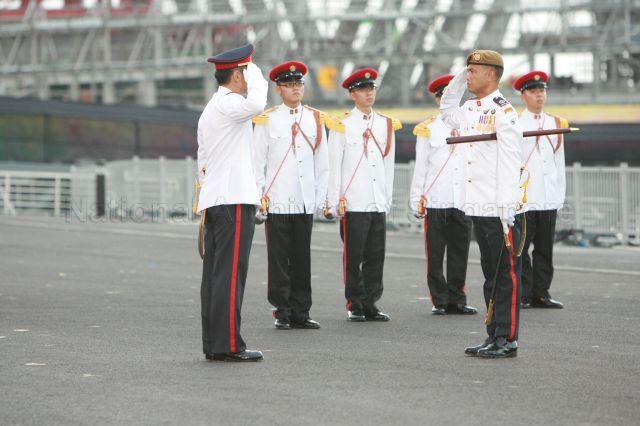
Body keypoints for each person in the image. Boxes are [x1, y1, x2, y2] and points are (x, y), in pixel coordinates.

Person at [439, 50, 524, 358]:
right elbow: (446, 107)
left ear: (491, 74)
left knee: (504, 275)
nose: (469, 76)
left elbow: (511, 159)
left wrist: (506, 206)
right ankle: (493, 335)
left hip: (497, 206)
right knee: (491, 274)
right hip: (477, 204)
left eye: (474, 71)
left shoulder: (504, 111)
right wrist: (461, 77)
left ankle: (507, 339)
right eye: (468, 71)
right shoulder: (471, 107)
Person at [196, 43, 267, 362]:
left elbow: (203, 161)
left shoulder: (215, 107)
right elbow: (258, 103)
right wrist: (256, 74)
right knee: (230, 273)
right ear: (238, 75)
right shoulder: (228, 103)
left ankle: (215, 343)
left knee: (216, 274)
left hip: (221, 197)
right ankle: (228, 344)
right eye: (246, 72)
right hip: (233, 199)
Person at [252, 61, 330, 330]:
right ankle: (282, 310)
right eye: (289, 85)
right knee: (278, 258)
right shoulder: (267, 119)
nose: (296, 89)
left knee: (302, 257)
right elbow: (257, 162)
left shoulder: (315, 119)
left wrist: (321, 199)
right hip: (277, 198)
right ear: (279, 89)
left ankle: (301, 311)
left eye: (299, 84)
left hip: (304, 199)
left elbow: (323, 163)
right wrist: (258, 199)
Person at [325, 68, 401, 322]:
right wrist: (334, 201)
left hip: (376, 199)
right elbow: (334, 166)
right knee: (354, 255)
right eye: (363, 90)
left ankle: (371, 302)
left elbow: (387, 165)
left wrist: (386, 198)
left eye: (371, 89)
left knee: (375, 256)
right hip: (353, 201)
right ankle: (354, 303)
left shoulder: (385, 124)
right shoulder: (342, 125)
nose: (369, 93)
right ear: (352, 94)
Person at [410, 74, 477, 316]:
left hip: (462, 199)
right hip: (436, 198)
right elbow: (421, 167)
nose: (444, 99)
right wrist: (416, 199)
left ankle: (457, 298)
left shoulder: (471, 123)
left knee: (460, 251)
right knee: (436, 253)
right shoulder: (428, 128)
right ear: (438, 99)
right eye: (441, 96)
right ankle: (439, 299)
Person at [514, 70, 567, 309]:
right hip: (525, 198)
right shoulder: (514, 123)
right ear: (523, 95)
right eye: (534, 91)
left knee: (545, 247)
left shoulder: (556, 123)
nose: (540, 96)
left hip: (547, 196)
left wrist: (559, 195)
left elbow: (559, 163)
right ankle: (524, 293)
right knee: (522, 249)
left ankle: (542, 293)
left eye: (542, 91)